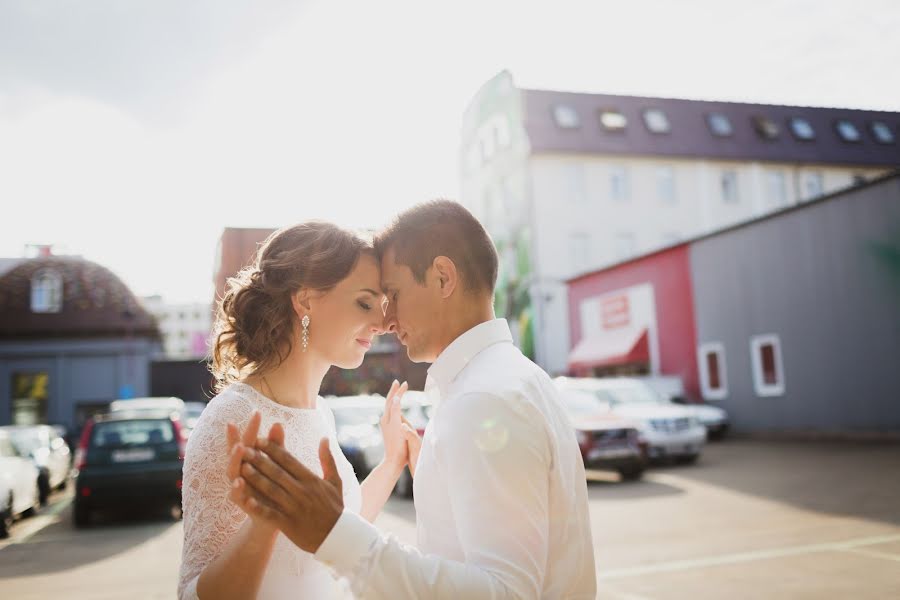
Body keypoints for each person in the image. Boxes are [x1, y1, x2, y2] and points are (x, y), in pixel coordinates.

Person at [229, 200, 597, 599]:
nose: (387, 321)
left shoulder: (484, 398)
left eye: (393, 294)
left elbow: (507, 593)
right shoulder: (512, 379)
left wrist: (334, 534)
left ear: (442, 278)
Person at [177, 222, 412, 600]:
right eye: (365, 302)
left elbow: (331, 529)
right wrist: (263, 527)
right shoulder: (231, 419)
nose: (384, 323)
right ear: (305, 300)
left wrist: (391, 463)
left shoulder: (320, 413)